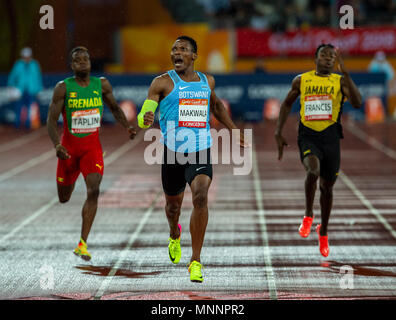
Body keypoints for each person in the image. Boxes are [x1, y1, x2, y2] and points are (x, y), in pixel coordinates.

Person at [137, 36, 248, 282]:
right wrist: (145, 116)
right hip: (172, 154)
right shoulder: (162, 82)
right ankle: (174, 234)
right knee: (173, 207)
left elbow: (216, 105)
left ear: (194, 56)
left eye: (183, 49)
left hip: (200, 150)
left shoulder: (207, 81)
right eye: (174, 49)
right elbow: (147, 107)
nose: (177, 52)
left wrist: (233, 129)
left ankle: (195, 261)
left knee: (200, 197)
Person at [47, 47, 137, 261]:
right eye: (77, 60)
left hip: (91, 150)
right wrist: (57, 146)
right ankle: (69, 182)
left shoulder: (102, 84)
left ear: (90, 62)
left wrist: (127, 126)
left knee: (94, 190)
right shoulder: (63, 88)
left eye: (85, 58)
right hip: (68, 152)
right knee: (64, 198)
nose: (82, 62)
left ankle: (82, 243)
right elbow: (50, 121)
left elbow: (115, 108)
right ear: (72, 65)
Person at [275, 44, 362, 257]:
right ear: (315, 58)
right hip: (308, 136)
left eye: (332, 56)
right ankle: (308, 215)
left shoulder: (340, 81)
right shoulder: (302, 80)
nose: (328, 58)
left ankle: (323, 231)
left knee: (327, 188)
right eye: (324, 55)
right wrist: (278, 132)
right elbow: (286, 104)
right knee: (312, 171)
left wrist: (347, 73)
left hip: (331, 138)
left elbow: (358, 103)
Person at [7, 47, 43, 129]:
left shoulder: (34, 64)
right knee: (18, 107)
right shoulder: (18, 64)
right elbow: (13, 76)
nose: (26, 58)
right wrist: (11, 85)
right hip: (20, 89)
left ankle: (28, 124)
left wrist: (39, 89)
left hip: (32, 89)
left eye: (28, 56)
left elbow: (38, 77)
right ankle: (17, 123)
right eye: (25, 56)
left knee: (31, 107)